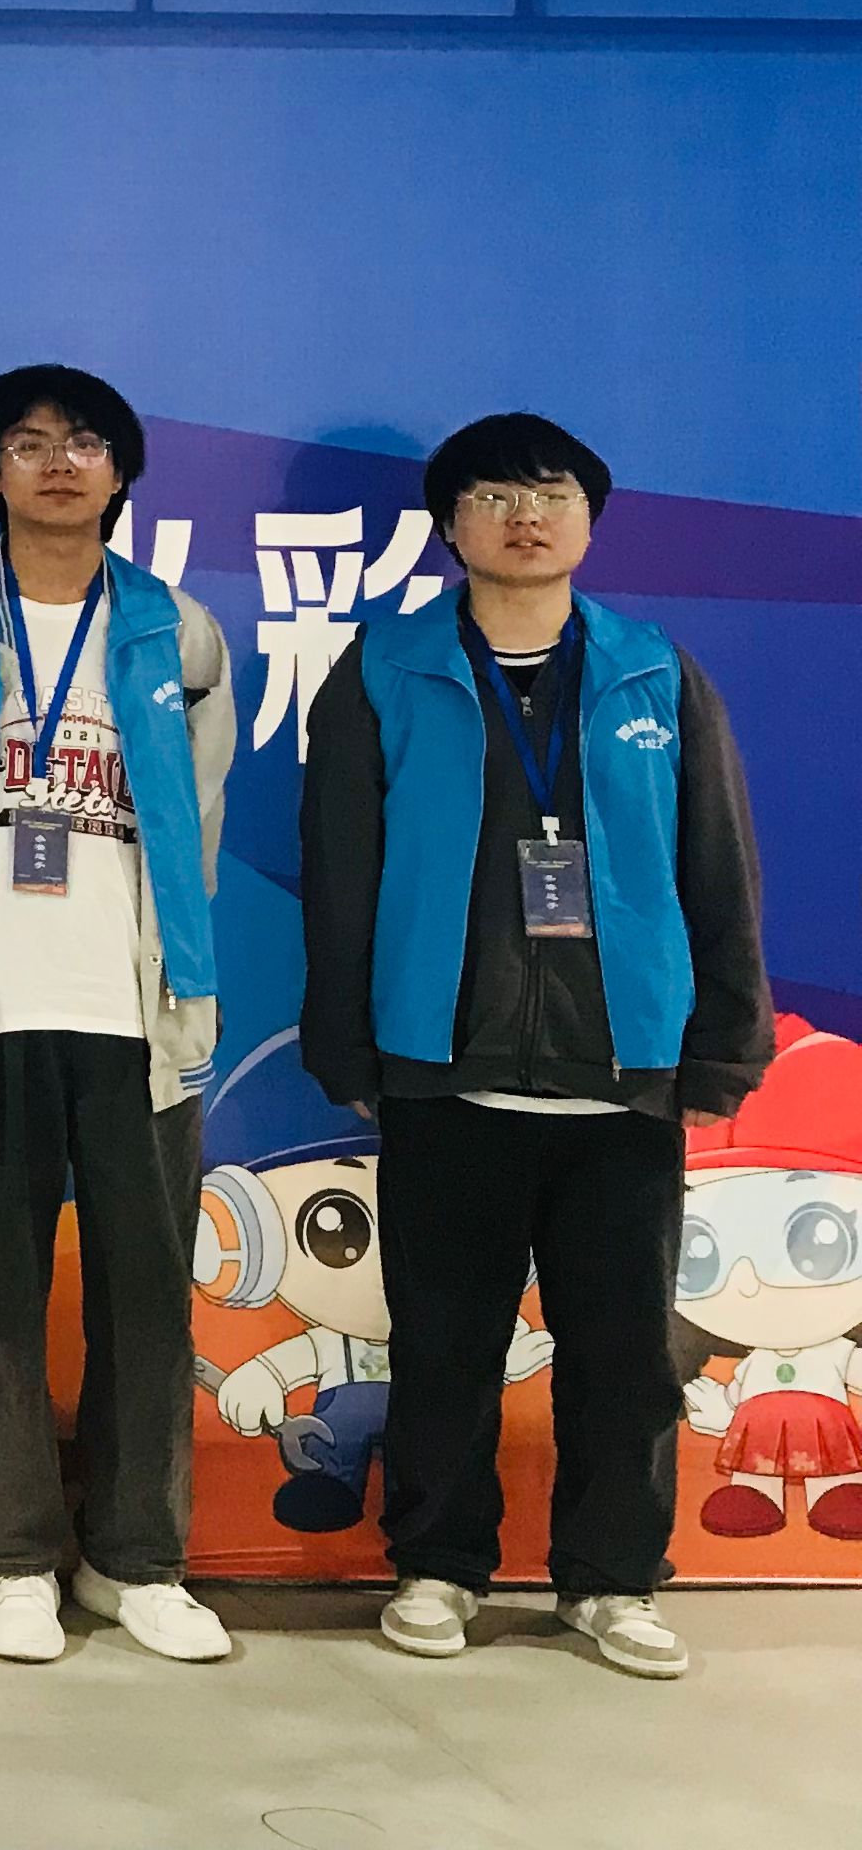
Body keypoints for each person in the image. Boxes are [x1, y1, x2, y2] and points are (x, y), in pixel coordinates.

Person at [298, 413, 774, 1682]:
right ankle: (439, 1565)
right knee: (443, 1343)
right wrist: (348, 1045)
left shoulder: (653, 673)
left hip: (624, 1081)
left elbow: (717, 864)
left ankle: (611, 1580)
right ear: (450, 527)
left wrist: (725, 1044)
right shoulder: (386, 669)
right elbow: (341, 871)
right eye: (495, 495)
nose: (526, 515)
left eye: (552, 493)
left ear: (589, 521)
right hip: (443, 1072)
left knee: (625, 1355)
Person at [0, 363, 236, 1668]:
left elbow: (201, 823)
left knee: (150, 1298)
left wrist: (178, 961)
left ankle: (138, 1561)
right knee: (2, 1294)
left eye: (84, 443)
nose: (58, 464)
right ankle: (14, 1559)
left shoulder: (179, 633)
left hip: (140, 1015)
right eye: (27, 444)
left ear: (121, 472)